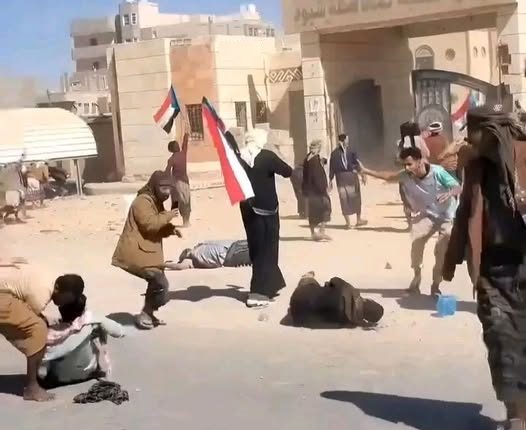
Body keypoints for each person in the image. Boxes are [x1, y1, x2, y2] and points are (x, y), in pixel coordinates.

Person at [442, 105, 526, 430]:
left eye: (472, 132)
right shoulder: (476, 166)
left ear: (491, 132)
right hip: (493, 269)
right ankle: (516, 414)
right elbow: (466, 210)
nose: (469, 139)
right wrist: (451, 259)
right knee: (501, 338)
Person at [361, 146, 461, 296]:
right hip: (428, 215)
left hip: (447, 216)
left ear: (419, 161)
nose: (407, 168)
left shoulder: (437, 172)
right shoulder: (406, 175)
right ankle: (416, 277)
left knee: (441, 252)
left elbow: (458, 187)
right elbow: (388, 176)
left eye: (409, 164)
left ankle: (435, 285)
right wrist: (366, 171)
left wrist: (450, 193)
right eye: (404, 165)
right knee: (416, 243)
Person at [0, 263, 85, 401]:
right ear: (57, 288)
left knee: (39, 325)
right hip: (2, 295)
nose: (63, 304)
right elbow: (31, 317)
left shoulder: (51, 277)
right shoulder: (42, 292)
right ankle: (32, 388)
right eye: (65, 299)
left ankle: (34, 377)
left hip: (6, 289)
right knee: (37, 330)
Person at [112, 171, 181, 330]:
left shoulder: (155, 201)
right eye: (163, 189)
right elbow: (149, 224)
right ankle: (145, 314)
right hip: (136, 252)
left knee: (159, 286)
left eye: (169, 189)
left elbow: (157, 226)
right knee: (159, 283)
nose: (167, 193)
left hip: (147, 252)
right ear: (155, 186)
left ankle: (148, 313)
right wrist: (169, 215)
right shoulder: (142, 202)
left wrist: (170, 229)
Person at [238, 128, 292, 308]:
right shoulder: (267, 156)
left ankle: (272, 284)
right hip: (267, 210)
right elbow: (287, 171)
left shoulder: (239, 158)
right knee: (268, 249)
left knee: (256, 248)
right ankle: (258, 292)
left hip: (247, 208)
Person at [39, 281, 125, 387]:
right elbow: (119, 332)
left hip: (59, 377)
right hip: (85, 373)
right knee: (97, 332)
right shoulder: (90, 321)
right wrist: (99, 322)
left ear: (61, 309)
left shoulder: (50, 332)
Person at [289, 272, 384, 328]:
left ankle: (308, 277)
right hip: (298, 317)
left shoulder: (351, 292)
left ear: (368, 301)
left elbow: (334, 279)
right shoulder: (349, 322)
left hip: (300, 295)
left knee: (312, 284)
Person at [329, 134, 367, 229]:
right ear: (343, 141)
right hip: (346, 177)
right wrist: (330, 179)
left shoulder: (346, 152)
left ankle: (353, 221)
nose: (348, 141)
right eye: (347, 139)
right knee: (348, 199)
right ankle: (353, 221)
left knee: (350, 199)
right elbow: (332, 167)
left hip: (346, 177)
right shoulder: (339, 153)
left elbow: (356, 164)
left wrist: (362, 174)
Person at [397, 122, 431, 229]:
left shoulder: (401, 143)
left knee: (406, 198)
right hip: (420, 171)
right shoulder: (420, 140)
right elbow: (427, 153)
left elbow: (399, 158)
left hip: (407, 173)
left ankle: (410, 224)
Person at [303, 140, 331, 241]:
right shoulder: (314, 160)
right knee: (326, 209)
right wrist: (323, 188)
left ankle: (314, 233)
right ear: (318, 148)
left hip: (310, 191)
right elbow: (316, 177)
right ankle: (321, 232)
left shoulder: (308, 158)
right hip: (318, 191)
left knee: (313, 212)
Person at [165, 240, 250, 270]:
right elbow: (179, 266)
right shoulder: (190, 259)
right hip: (227, 257)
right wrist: (165, 264)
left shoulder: (198, 247)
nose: (188, 249)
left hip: (229, 250)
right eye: (186, 250)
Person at [166, 132, 191, 227]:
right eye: (176, 144)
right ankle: (186, 221)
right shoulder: (183, 154)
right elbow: (185, 143)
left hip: (177, 182)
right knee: (186, 201)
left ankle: (184, 220)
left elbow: (167, 172)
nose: (178, 145)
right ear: (174, 148)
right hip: (184, 182)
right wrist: (186, 135)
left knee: (181, 201)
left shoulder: (171, 159)